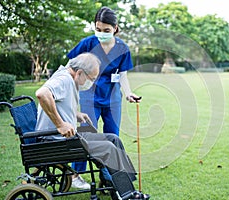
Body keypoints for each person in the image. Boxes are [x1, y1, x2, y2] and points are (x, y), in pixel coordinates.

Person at [35, 53, 149, 199]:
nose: (92, 82)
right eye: (91, 79)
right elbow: (42, 93)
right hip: (57, 141)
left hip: (69, 137)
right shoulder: (64, 79)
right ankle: (126, 195)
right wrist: (60, 124)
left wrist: (75, 114)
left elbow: (58, 101)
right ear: (80, 73)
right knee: (108, 148)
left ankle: (123, 185)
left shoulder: (69, 77)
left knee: (113, 139)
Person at [67, 6, 141, 182]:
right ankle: (77, 174)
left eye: (106, 30)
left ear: (115, 28)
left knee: (112, 137)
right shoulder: (87, 43)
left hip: (112, 99)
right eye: (98, 29)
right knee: (86, 135)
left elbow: (122, 74)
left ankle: (108, 175)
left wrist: (128, 93)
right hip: (89, 97)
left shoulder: (123, 48)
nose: (101, 33)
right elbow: (69, 65)